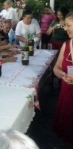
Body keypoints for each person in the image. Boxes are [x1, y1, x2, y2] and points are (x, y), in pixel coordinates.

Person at [53, 11, 73, 149]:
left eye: (68, 25)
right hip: (67, 95)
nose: (65, 29)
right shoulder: (66, 45)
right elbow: (56, 68)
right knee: (68, 133)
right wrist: (62, 74)